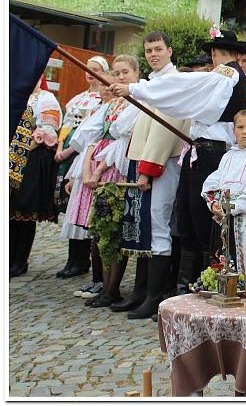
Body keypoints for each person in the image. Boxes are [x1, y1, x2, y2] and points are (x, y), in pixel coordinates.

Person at [110, 28, 246, 289]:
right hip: (201, 151)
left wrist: (135, 88)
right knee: (188, 220)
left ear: (213, 52)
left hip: (211, 153)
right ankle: (186, 285)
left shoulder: (228, 73)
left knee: (201, 221)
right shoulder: (226, 74)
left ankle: (201, 283)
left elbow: (184, 86)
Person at [112, 32, 193, 319]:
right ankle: (141, 292)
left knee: (158, 224)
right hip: (145, 159)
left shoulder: (172, 83)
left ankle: (155, 296)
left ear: (170, 50)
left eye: (158, 49)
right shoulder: (153, 83)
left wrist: (148, 168)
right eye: (148, 50)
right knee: (145, 226)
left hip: (162, 162)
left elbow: (164, 130)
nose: (153, 54)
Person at [74, 55, 142, 307]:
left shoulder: (136, 101)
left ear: (136, 72)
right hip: (105, 167)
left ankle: (113, 287)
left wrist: (101, 167)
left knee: (116, 230)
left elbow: (123, 140)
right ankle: (104, 285)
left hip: (120, 168)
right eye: (116, 73)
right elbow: (91, 134)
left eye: (125, 72)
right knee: (102, 229)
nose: (120, 77)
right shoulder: (113, 104)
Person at [54, 56, 108, 279]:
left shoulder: (102, 100)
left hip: (88, 154)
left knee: (86, 211)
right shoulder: (79, 98)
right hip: (76, 156)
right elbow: (67, 128)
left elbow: (87, 135)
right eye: (88, 69)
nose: (90, 73)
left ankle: (82, 260)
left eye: (95, 70)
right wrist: (60, 147)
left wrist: (69, 151)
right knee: (73, 207)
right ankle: (72, 258)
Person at [202, 110, 246, 274]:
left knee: (242, 257)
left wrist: (232, 206)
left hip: (243, 217)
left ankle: (240, 290)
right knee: (220, 255)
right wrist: (214, 203)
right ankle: (220, 289)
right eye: (240, 127)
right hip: (221, 216)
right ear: (234, 131)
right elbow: (212, 183)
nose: (244, 132)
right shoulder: (227, 157)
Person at [9, 75, 62, 277]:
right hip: (12, 157)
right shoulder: (17, 95)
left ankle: (20, 260)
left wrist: (23, 149)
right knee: (10, 210)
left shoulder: (46, 99)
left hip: (31, 157)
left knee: (25, 209)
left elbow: (47, 131)